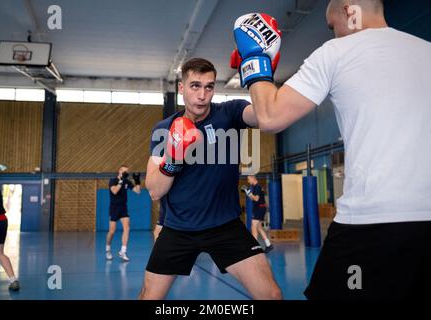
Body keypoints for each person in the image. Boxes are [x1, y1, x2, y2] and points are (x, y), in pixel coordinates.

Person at [231, 1, 431, 300]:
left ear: (350, 11)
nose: (333, 34)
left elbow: (270, 117)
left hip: (372, 223)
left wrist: (255, 58)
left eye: (331, 25)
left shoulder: (336, 52)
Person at [138, 57, 282, 300]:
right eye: (195, 86)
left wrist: (259, 70)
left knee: (272, 295)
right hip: (178, 229)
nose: (203, 94)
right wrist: (174, 157)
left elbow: (269, 117)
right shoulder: (164, 128)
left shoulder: (230, 113)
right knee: (149, 297)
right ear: (182, 88)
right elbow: (154, 191)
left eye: (209, 86)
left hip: (225, 226)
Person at [106, 166, 141, 261]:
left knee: (127, 228)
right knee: (112, 231)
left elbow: (138, 191)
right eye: (124, 171)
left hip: (123, 208)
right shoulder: (113, 180)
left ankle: (123, 251)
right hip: (114, 208)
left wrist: (137, 181)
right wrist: (121, 181)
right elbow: (114, 191)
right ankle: (108, 249)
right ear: (119, 171)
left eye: (127, 172)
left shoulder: (127, 182)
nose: (126, 173)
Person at [241, 175, 273, 253]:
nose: (248, 181)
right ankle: (268, 245)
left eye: (249, 179)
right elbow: (253, 198)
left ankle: (255, 247)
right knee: (259, 228)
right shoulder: (255, 187)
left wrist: (248, 191)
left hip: (260, 208)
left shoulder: (257, 187)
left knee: (253, 226)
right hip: (259, 208)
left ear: (253, 178)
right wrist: (248, 192)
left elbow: (256, 198)